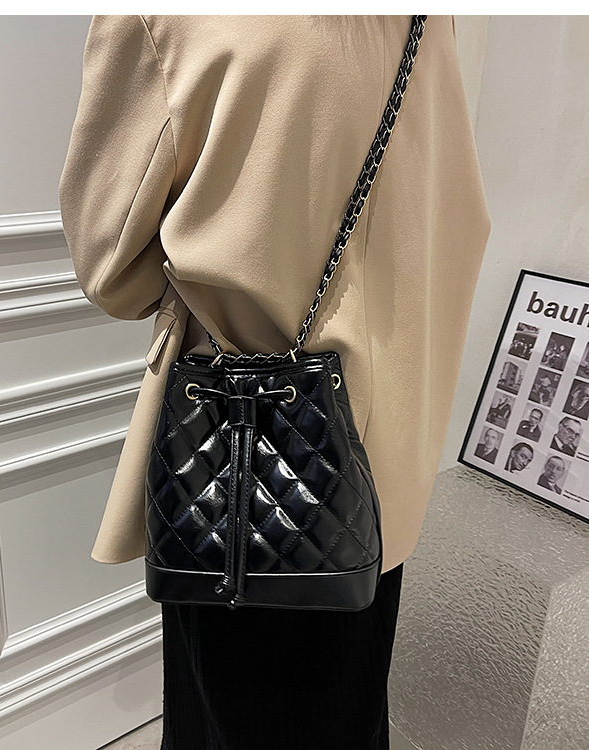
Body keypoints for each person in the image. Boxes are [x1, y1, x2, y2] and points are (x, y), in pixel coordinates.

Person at [59, 15, 491, 749]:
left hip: (250, 459)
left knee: (235, 719)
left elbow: (111, 272)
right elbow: (459, 223)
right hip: (387, 458)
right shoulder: (424, 19)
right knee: (349, 710)